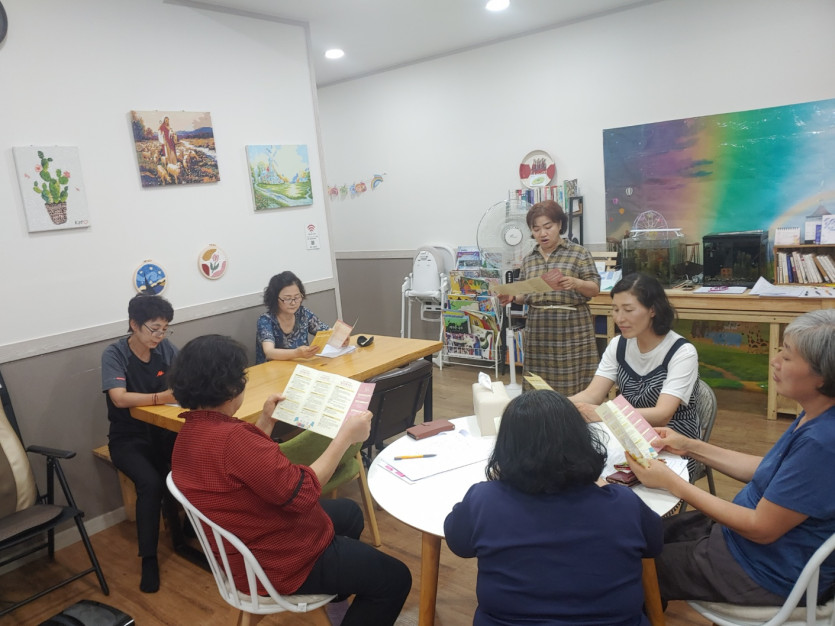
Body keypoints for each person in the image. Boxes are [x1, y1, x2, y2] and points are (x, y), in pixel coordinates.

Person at [169, 334, 411, 625]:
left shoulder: (190, 433)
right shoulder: (233, 439)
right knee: (396, 578)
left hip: (243, 547)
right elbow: (303, 492)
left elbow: (241, 468)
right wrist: (345, 437)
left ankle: (337, 596)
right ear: (232, 388)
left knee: (349, 513)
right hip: (278, 563)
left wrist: (266, 422)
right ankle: (336, 586)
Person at [628, 309, 835, 607]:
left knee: (628, 565)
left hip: (764, 570)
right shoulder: (815, 414)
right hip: (740, 539)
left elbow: (761, 528)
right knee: (641, 534)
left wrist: (672, 482)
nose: (775, 361)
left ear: (823, 376)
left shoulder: (823, 442)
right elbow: (770, 471)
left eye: (787, 356)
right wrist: (690, 445)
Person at [444, 390, 662, 625]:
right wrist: (599, 483)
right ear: (582, 441)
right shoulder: (623, 503)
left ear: (506, 448)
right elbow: (654, 545)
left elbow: (459, 543)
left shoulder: (484, 500)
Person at [101, 294, 178, 593]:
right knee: (150, 483)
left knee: (190, 464)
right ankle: (149, 558)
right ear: (134, 324)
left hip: (162, 432)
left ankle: (186, 528)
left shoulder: (166, 349)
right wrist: (161, 397)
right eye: (154, 329)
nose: (160, 336)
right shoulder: (115, 354)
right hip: (127, 438)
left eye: (165, 329)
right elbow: (119, 398)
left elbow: (184, 378)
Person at [569, 272, 700, 442]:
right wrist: (555, 404)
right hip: (630, 432)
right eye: (615, 309)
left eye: (628, 310)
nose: (619, 318)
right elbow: (592, 395)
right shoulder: (618, 345)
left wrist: (605, 414)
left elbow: (662, 415)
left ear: (652, 309)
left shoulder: (682, 352)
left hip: (674, 440)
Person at [497, 200, 600, 395]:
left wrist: (577, 283)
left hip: (571, 328)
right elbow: (525, 295)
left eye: (548, 227)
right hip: (538, 329)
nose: (542, 233)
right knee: (539, 385)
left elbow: (594, 289)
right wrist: (513, 297)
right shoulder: (529, 259)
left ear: (559, 224)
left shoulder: (579, 254)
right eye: (536, 229)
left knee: (573, 381)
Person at [256, 271, 330, 364]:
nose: (293, 303)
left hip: (300, 367)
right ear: (275, 299)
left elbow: (327, 332)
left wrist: (340, 338)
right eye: (287, 299)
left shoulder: (303, 313)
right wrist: (296, 353)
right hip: (272, 370)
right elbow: (269, 352)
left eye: (297, 297)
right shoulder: (266, 320)